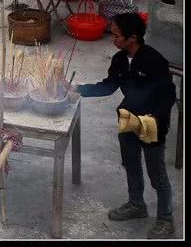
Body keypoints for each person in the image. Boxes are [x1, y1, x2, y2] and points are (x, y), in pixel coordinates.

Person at [69, 13, 176, 239]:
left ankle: (166, 219)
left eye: (117, 35)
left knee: (156, 174)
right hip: (128, 118)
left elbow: (168, 96)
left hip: (151, 123)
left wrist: (155, 119)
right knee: (130, 163)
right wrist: (79, 89)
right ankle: (137, 204)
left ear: (133, 38)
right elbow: (109, 86)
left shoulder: (154, 61)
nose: (113, 39)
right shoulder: (119, 60)